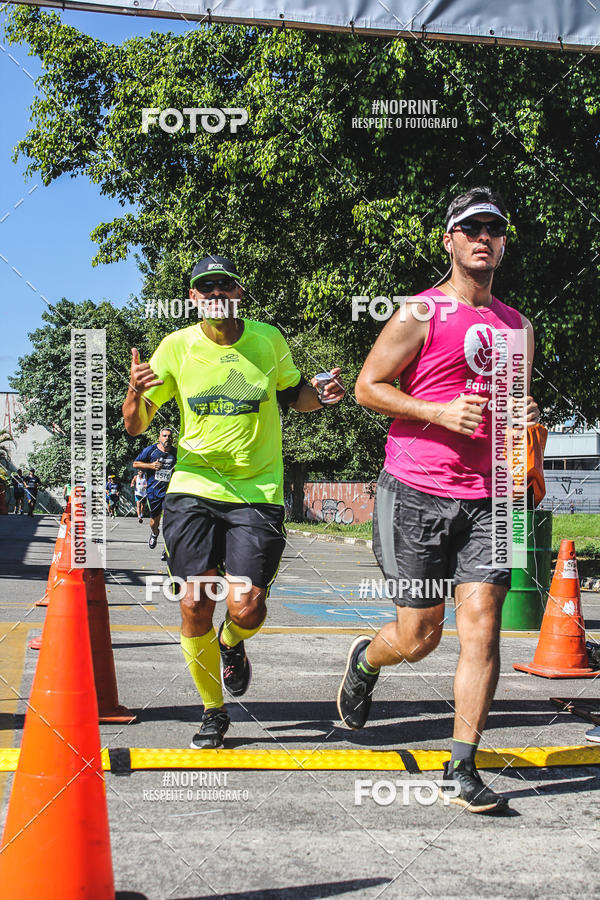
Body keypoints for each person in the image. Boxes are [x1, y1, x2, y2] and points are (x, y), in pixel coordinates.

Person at [336, 187, 540, 813]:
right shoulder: (418, 314)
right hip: (417, 491)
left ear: (503, 242)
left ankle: (463, 768)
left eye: (494, 228)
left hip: (491, 498)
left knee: (482, 633)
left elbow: (512, 410)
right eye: (471, 228)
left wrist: (529, 418)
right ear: (449, 241)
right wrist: (437, 411)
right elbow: (369, 387)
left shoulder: (517, 326)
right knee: (419, 635)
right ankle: (367, 661)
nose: (484, 237)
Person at [123, 255, 345, 748]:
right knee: (195, 602)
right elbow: (136, 425)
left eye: (224, 284)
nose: (215, 292)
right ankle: (212, 710)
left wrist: (322, 394)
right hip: (194, 487)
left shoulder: (267, 339)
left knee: (246, 608)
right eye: (205, 287)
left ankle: (231, 644)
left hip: (257, 491)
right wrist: (135, 395)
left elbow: (295, 397)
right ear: (193, 299)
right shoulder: (174, 347)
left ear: (239, 293)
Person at [132, 427, 177, 559]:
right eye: (164, 436)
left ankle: (167, 548)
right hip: (154, 491)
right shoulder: (151, 450)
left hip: (171, 491)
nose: (167, 438)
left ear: (172, 439)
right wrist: (150, 466)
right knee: (154, 522)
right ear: (159, 438)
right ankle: (154, 534)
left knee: (170, 521)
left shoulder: (176, 452)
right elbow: (135, 464)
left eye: (169, 436)